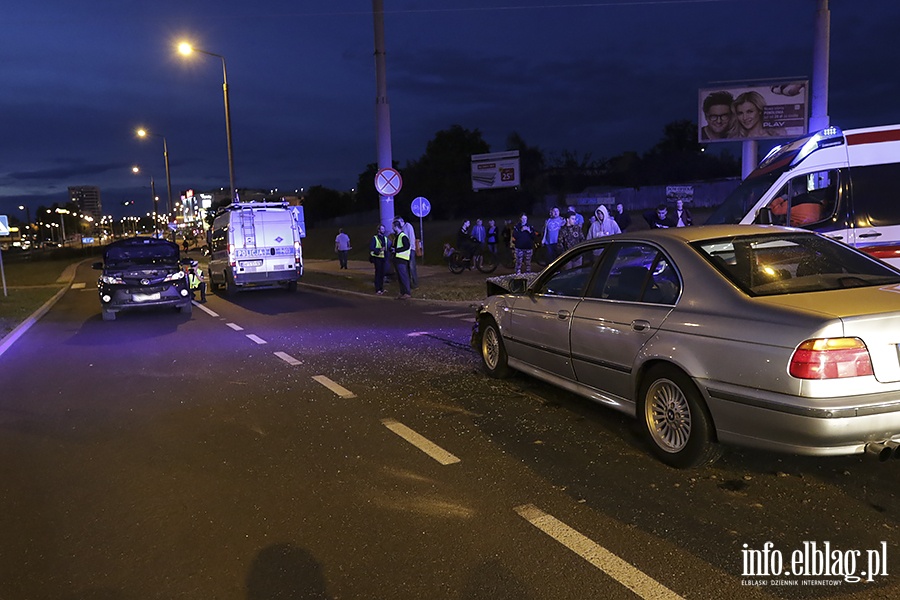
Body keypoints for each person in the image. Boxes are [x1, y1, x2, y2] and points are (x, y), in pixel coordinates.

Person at [391, 219, 412, 299]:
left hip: (402, 259)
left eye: (393, 227)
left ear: (396, 227)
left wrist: (396, 250)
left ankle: (407, 292)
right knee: (400, 277)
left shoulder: (403, 236)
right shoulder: (398, 237)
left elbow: (407, 246)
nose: (392, 228)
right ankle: (402, 292)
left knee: (403, 276)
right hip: (397, 259)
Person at [369, 224, 389, 295]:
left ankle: (381, 288)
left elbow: (387, 247)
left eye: (384, 229)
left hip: (383, 258)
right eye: (382, 229)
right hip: (377, 258)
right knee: (378, 273)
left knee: (382, 274)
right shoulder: (375, 238)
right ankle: (377, 289)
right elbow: (371, 247)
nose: (383, 230)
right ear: (378, 230)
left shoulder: (385, 238)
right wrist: (379, 249)